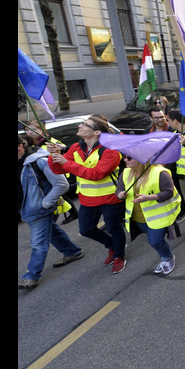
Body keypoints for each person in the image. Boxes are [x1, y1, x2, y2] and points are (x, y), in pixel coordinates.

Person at [47, 115, 127, 273]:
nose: (80, 126)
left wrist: (65, 162)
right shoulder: (76, 147)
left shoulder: (111, 150)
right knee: (85, 230)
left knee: (114, 228)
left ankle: (119, 256)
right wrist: (54, 155)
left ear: (97, 132)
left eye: (85, 124)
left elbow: (96, 174)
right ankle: (112, 245)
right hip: (87, 199)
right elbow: (57, 169)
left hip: (110, 198)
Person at [18, 136, 82, 289]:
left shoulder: (38, 161)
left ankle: (31, 275)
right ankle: (72, 251)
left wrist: (45, 203)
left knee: (38, 241)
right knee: (51, 231)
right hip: (25, 209)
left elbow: (61, 184)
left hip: (39, 209)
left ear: (20, 146)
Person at [117, 156, 181, 275]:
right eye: (125, 157)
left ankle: (167, 258)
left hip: (158, 216)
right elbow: (119, 190)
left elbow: (169, 192)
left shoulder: (160, 173)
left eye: (129, 158)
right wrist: (120, 194)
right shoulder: (125, 173)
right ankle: (165, 256)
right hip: (138, 218)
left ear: (141, 159)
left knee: (155, 241)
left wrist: (149, 198)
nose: (125, 160)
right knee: (154, 239)